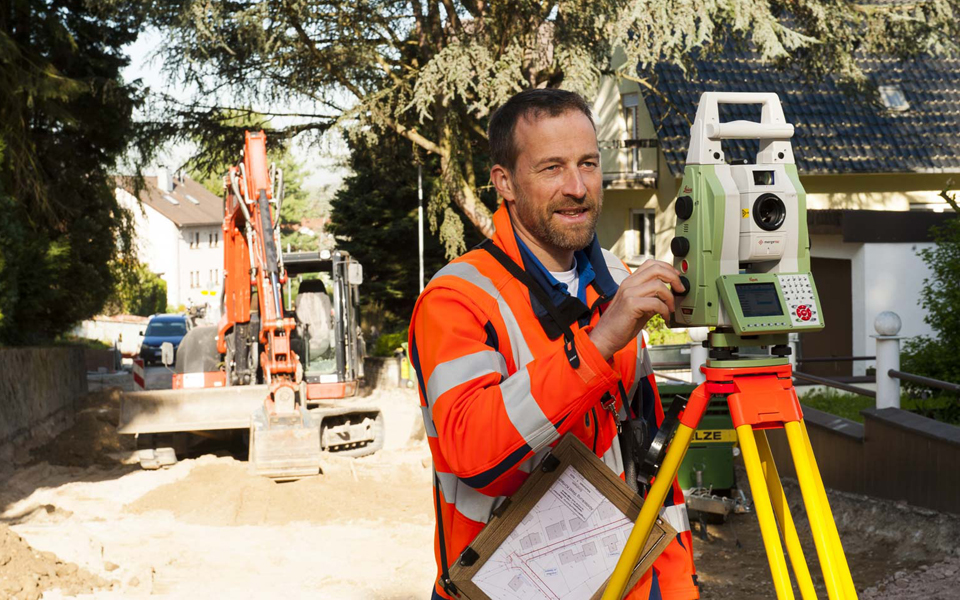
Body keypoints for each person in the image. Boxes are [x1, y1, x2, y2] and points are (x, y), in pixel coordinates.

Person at [409, 88, 698, 599]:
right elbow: (475, 453)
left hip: (623, 582)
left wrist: (674, 589)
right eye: (552, 168)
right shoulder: (456, 299)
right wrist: (601, 340)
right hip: (507, 586)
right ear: (505, 183)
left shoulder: (613, 277)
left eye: (588, 163)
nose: (577, 186)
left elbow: (650, 462)